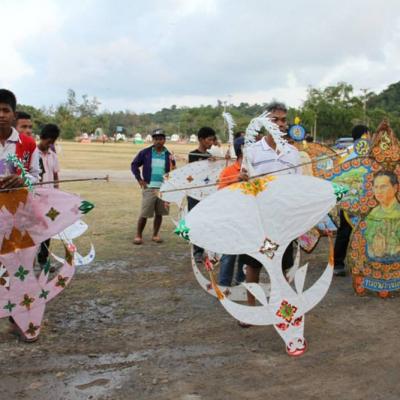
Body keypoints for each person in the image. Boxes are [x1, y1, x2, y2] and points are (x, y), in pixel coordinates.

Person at [243, 101, 301, 311]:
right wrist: (242, 180)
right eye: (275, 120)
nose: (280, 124)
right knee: (253, 264)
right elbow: (243, 185)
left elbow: (298, 186)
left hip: (283, 219)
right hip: (257, 218)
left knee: (282, 265)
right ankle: (251, 308)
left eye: (283, 120)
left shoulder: (292, 152)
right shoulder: (252, 151)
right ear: (266, 123)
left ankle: (281, 307)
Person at [334, 124, 370, 276]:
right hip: (358, 199)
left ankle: (338, 264)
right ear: (365, 135)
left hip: (349, 199)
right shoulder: (366, 152)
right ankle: (361, 263)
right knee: (360, 231)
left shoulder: (346, 154)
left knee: (345, 231)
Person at [131, 129, 176, 245]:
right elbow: (134, 165)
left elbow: (173, 170)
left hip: (163, 189)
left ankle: (155, 235)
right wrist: (139, 179)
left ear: (164, 140)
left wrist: (170, 184)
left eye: (161, 139)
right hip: (149, 187)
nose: (158, 141)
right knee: (144, 213)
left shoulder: (169, 155)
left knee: (159, 213)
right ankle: (138, 235)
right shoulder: (145, 153)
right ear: (153, 140)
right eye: (156, 139)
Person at [217, 137, 248, 286]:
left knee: (246, 253)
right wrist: (236, 179)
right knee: (229, 253)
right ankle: (224, 285)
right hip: (232, 217)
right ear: (242, 151)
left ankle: (241, 283)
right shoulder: (228, 171)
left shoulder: (254, 170)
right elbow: (220, 192)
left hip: (248, 218)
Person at [0, 89, 40, 188]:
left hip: (17, 197)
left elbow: (35, 177)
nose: (1, 115)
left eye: (6, 110)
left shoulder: (29, 144)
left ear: (14, 115)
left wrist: (23, 179)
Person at [188, 127, 216, 263]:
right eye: (209, 140)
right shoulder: (192, 154)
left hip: (207, 193)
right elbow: (193, 173)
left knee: (206, 221)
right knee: (195, 221)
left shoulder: (211, 156)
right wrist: (205, 162)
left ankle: (208, 249)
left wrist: (216, 162)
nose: (211, 142)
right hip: (194, 193)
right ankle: (197, 251)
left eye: (213, 140)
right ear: (201, 140)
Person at [37, 124, 61, 270]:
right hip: (34, 200)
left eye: (52, 142)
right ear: (42, 137)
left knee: (47, 230)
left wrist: (57, 193)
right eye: (48, 141)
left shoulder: (53, 155)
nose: (49, 145)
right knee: (32, 231)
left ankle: (43, 260)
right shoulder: (32, 154)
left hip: (49, 200)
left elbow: (56, 175)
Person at [364, 171, 400, 260]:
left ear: (395, 188)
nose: (378, 191)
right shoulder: (372, 214)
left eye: (383, 187)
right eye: (376, 187)